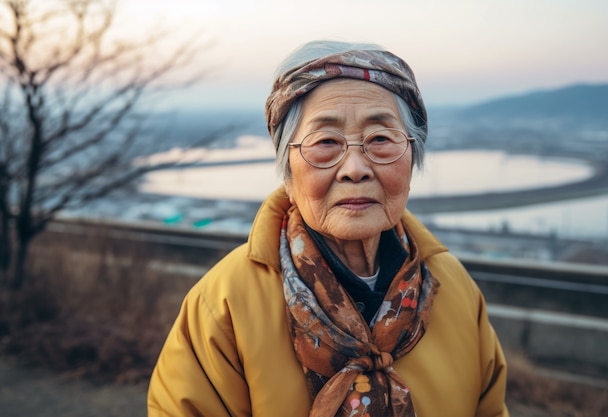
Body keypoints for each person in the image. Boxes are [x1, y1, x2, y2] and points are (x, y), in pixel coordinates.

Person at [147, 40, 509, 417]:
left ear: (412, 156)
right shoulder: (225, 305)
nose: (355, 167)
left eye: (381, 140)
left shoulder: (454, 289)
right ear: (287, 169)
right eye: (326, 142)